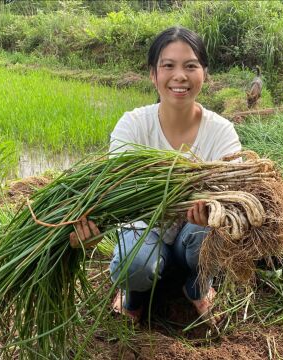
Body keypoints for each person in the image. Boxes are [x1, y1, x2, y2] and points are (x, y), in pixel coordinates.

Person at [69, 26, 241, 324]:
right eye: (168, 66)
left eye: (190, 66)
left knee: (215, 231)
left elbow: (234, 196)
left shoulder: (221, 131)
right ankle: (133, 295)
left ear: (205, 73)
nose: (180, 76)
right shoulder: (133, 126)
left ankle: (197, 287)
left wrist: (213, 214)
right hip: (143, 230)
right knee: (133, 264)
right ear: (153, 74)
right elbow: (117, 189)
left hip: (194, 234)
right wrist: (87, 230)